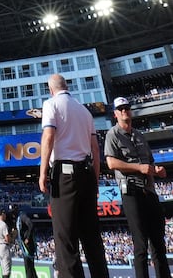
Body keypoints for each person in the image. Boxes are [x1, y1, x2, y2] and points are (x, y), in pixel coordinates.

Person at [38, 74, 109, 278]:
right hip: (86, 173)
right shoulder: (84, 111)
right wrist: (95, 182)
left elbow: (49, 136)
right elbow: (95, 149)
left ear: (51, 90)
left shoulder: (51, 104)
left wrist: (43, 172)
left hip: (65, 174)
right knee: (92, 238)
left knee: (66, 238)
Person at [103, 97, 172, 278]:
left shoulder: (139, 135)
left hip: (149, 191)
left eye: (127, 107)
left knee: (158, 244)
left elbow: (150, 162)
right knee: (140, 245)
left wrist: (158, 171)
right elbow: (110, 163)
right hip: (131, 191)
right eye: (121, 109)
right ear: (115, 114)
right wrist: (138, 168)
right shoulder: (112, 134)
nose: (125, 111)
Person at [15, 205, 38, 278]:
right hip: (24, 243)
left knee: (28, 265)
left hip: (28, 244)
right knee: (30, 266)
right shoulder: (18, 218)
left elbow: (31, 224)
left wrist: (28, 238)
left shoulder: (22, 216)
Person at [0, 208, 15, 278]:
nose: (5, 215)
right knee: (7, 271)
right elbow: (7, 239)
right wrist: (12, 237)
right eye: (4, 214)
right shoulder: (3, 224)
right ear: (2, 214)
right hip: (4, 246)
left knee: (3, 270)